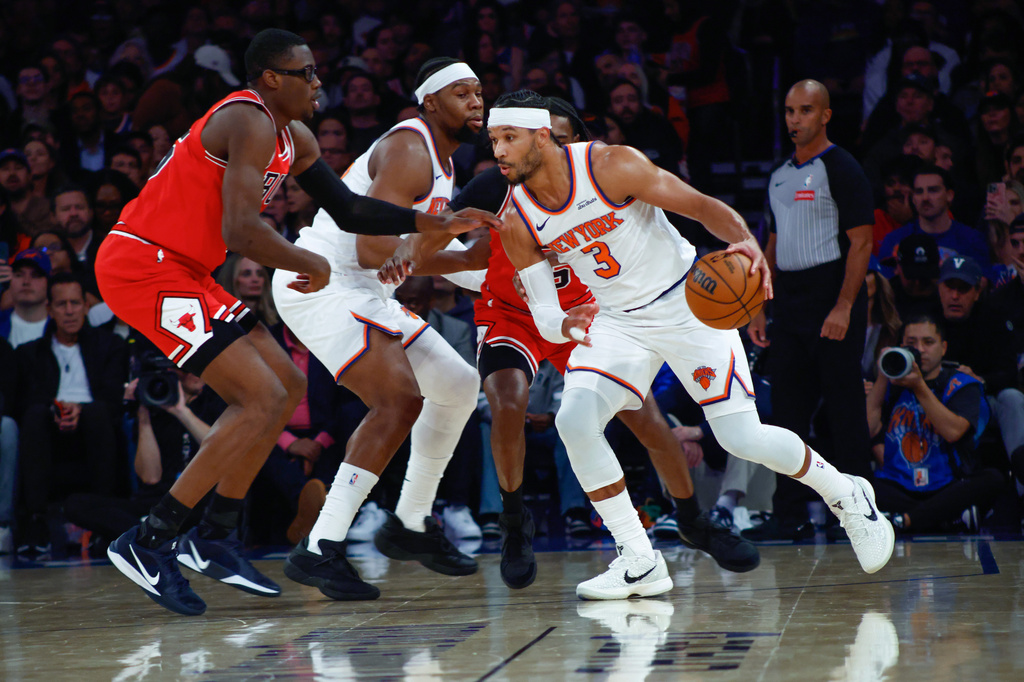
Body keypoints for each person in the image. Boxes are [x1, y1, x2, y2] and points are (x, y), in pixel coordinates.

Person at [95, 30, 495, 617]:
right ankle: (149, 539)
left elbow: (354, 210)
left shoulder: (296, 138)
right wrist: (303, 258)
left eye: (316, 71)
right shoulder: (247, 118)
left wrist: (434, 222)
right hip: (143, 264)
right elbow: (239, 232)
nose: (318, 82)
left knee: (284, 389)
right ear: (270, 79)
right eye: (304, 73)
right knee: (256, 398)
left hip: (190, 270)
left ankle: (217, 534)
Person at [475, 89, 894, 599]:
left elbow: (700, 207)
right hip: (616, 320)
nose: (499, 150)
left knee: (743, 438)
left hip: (687, 304)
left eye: (509, 138)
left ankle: (848, 495)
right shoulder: (516, 218)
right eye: (494, 139)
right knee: (575, 421)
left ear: (542, 135)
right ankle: (637, 557)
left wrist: (743, 243)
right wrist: (565, 325)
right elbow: (543, 312)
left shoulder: (612, 165)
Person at [380, 95, 759, 590]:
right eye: (503, 140)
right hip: (512, 312)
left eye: (561, 136)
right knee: (506, 402)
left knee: (644, 418)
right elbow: (450, 237)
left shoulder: (597, 176)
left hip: (584, 310)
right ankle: (515, 525)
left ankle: (691, 518)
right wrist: (404, 256)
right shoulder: (501, 181)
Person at [271, 57, 496, 602]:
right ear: (430, 103)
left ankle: (410, 522)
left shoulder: (446, 168)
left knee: (459, 385)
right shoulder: (411, 149)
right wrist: (429, 251)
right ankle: (320, 547)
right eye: (462, 93)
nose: (476, 102)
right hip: (320, 279)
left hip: (364, 289)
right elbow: (374, 248)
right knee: (398, 400)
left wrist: (475, 261)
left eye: (479, 93)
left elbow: (410, 258)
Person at [746, 80, 874, 541]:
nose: (794, 119)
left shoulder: (843, 168)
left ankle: (859, 514)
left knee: (844, 412)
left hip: (832, 293)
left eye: (804, 111)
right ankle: (788, 514)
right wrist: (760, 306)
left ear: (825, 115)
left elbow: (862, 243)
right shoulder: (779, 174)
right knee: (786, 416)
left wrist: (843, 306)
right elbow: (773, 244)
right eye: (788, 111)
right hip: (790, 301)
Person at [13, 272, 127, 554]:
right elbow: (26, 400)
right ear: (49, 309)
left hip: (96, 423)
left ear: (86, 306)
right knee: (34, 416)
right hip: (48, 424)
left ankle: (103, 521)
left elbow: (114, 398)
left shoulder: (110, 346)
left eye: (75, 303)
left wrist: (81, 410)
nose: (69, 311)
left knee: (99, 414)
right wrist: (58, 409)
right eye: (61, 304)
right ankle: (36, 522)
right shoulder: (30, 353)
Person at [64, 354, 224, 550]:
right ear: (171, 373)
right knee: (76, 504)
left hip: (198, 503)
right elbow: (150, 477)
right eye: (187, 369)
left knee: (209, 514)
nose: (196, 373)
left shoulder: (216, 401)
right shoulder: (154, 408)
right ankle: (156, 537)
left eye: (199, 365)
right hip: (158, 504)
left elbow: (221, 449)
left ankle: (147, 538)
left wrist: (182, 412)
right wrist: (143, 414)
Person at [867, 315, 1003, 533]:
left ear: (943, 347)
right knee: (857, 486)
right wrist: (884, 374)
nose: (919, 349)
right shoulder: (890, 384)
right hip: (898, 484)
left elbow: (953, 432)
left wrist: (919, 386)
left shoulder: (961, 383)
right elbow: (868, 430)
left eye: (928, 342)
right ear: (902, 346)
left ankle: (904, 520)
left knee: (992, 479)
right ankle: (946, 518)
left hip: (947, 484)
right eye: (911, 343)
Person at [0, 248, 50, 347]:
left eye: (35, 275)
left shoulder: (62, 328)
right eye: (19, 275)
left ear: (49, 283)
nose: (26, 281)